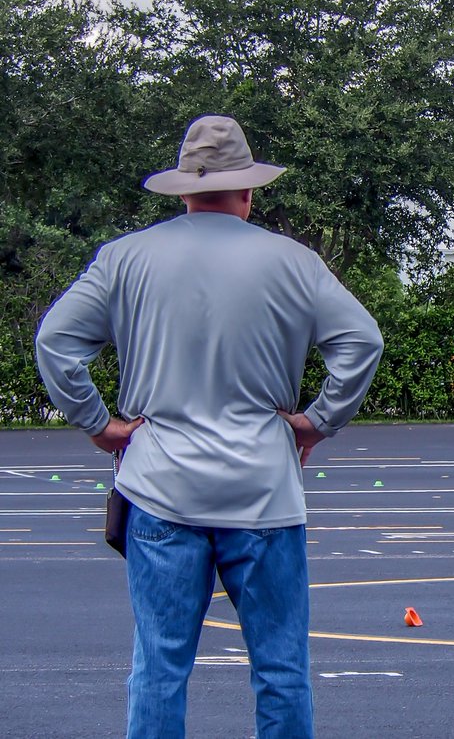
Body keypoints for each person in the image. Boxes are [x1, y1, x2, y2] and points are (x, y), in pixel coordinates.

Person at [35, 114, 384, 738]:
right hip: (264, 494)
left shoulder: (123, 259)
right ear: (249, 192)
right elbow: (361, 341)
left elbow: (55, 343)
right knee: (281, 670)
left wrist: (100, 425)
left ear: (183, 191)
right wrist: (315, 423)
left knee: (159, 668)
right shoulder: (294, 262)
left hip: (161, 489)